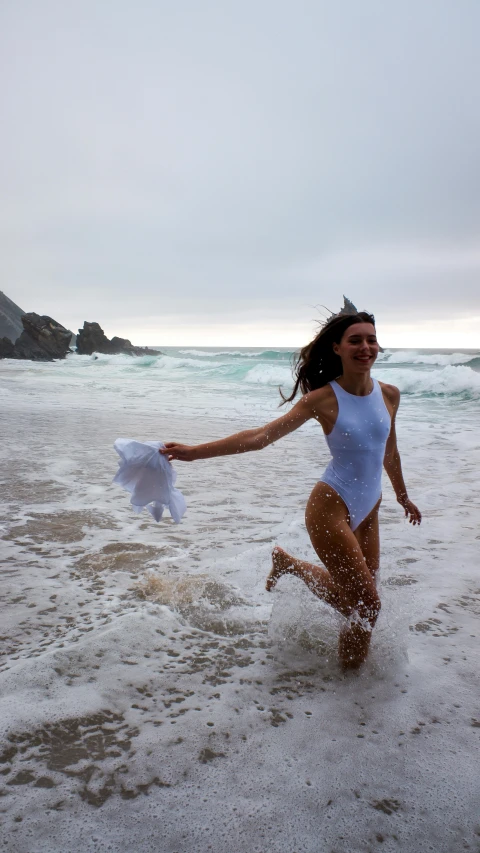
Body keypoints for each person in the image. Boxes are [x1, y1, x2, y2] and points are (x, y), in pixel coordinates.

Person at [161, 312, 421, 670]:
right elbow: (259, 437)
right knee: (368, 605)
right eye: (356, 340)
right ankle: (350, 688)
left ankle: (291, 566)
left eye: (371, 340)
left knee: (357, 604)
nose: (365, 347)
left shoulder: (389, 395)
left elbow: (389, 452)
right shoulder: (323, 399)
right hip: (331, 506)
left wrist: (402, 496)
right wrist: (193, 452)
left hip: (369, 509)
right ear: (338, 348)